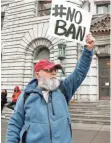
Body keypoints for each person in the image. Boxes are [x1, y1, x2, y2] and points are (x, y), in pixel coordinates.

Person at [6, 33, 95, 143]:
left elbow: (79, 73)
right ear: (37, 75)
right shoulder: (26, 96)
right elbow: (15, 125)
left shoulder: (63, 89)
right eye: (49, 70)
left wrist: (88, 50)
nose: (53, 73)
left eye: (55, 70)